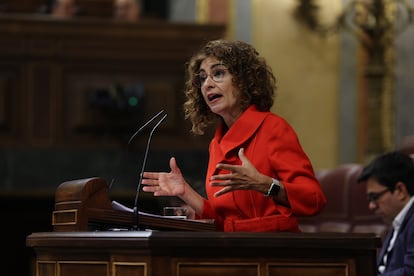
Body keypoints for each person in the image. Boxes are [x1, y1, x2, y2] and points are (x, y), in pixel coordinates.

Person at [141, 39, 327, 232]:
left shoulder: (273, 128)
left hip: (273, 250)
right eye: (203, 78)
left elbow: (314, 199)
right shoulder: (217, 142)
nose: (207, 85)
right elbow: (223, 222)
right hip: (233, 249)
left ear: (244, 80)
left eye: (218, 73)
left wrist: (265, 184)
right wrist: (186, 192)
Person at [357, 151, 414, 275]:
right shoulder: (398, 222)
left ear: (400, 190)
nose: (371, 205)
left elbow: (411, 272)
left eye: (375, 197)